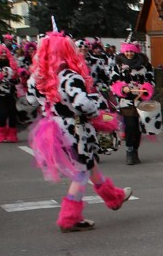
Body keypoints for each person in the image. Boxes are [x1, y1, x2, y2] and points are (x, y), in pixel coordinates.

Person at [26, 31, 132, 232]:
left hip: (54, 127)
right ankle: (69, 218)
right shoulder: (69, 76)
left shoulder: (39, 76)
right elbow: (83, 104)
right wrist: (97, 111)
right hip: (74, 130)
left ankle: (114, 198)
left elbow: (32, 100)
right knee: (81, 173)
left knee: (89, 165)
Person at [111, 42, 156, 165]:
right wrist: (122, 88)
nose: (129, 54)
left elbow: (151, 80)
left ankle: (135, 150)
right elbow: (113, 81)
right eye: (127, 51)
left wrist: (146, 87)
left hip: (141, 100)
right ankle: (129, 151)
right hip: (126, 101)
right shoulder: (118, 66)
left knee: (138, 128)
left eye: (131, 51)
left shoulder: (146, 65)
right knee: (130, 126)